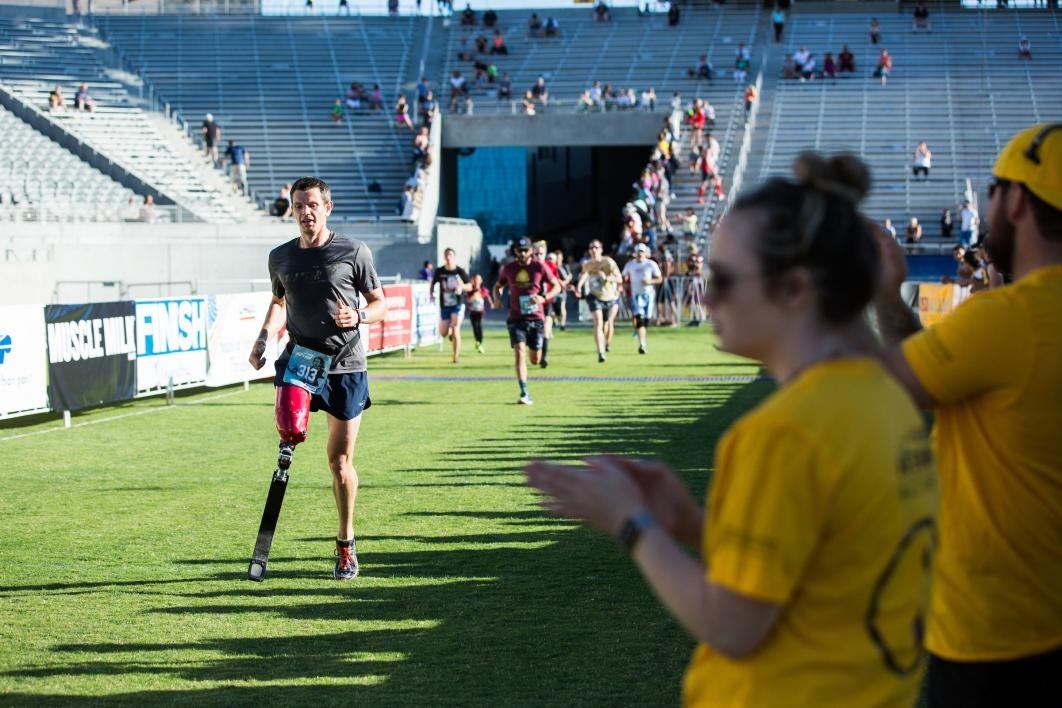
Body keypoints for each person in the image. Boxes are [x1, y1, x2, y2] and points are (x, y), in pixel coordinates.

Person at [526, 152, 937, 708]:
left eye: (723, 279)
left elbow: (733, 627)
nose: (708, 297)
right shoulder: (886, 397)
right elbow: (825, 566)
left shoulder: (784, 433)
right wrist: (694, 525)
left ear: (795, 288)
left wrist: (630, 522)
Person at [870, 123, 1062, 708]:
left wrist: (873, 290)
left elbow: (883, 389)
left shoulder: (1006, 320)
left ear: (1019, 200)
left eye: (995, 190)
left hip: (998, 634)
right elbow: (937, 375)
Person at [247, 176, 386, 581]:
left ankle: (346, 544)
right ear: (291, 210)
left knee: (339, 463)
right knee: (289, 433)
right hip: (301, 360)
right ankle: (287, 450)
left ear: (327, 207)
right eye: (298, 205)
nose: (305, 212)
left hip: (344, 365)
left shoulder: (353, 251)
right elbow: (278, 303)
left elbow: (380, 304)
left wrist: (358, 315)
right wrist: (262, 338)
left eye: (312, 204)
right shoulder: (281, 257)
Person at [492, 237, 560, 405]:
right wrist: (497, 299)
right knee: (519, 351)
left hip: (536, 318)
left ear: (531, 250)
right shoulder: (509, 268)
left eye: (525, 250)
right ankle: (524, 392)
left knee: (535, 359)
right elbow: (498, 286)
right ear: (515, 251)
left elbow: (557, 286)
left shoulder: (539, 267)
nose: (522, 254)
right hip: (516, 318)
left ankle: (536, 354)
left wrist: (543, 297)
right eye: (519, 250)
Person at [431, 247, 471, 364]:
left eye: (450, 255)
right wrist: (431, 294)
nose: (448, 257)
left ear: (454, 257)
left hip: (457, 304)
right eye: (446, 255)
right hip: (445, 305)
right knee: (443, 333)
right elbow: (433, 283)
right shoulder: (440, 271)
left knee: (455, 328)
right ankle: (449, 333)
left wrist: (461, 287)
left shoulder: (460, 271)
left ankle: (455, 357)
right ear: (444, 257)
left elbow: (470, 286)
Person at [621, 243, 663, 354]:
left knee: (646, 321)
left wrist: (650, 281)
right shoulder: (630, 265)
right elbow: (623, 276)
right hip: (636, 295)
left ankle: (641, 337)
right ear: (635, 253)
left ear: (645, 253)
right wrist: (624, 284)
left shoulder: (650, 264)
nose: (640, 254)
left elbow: (659, 278)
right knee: (639, 320)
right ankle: (642, 344)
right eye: (638, 251)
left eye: (642, 251)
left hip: (649, 295)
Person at [466, 273, 494, 353]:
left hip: (480, 311)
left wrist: (491, 303)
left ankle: (480, 343)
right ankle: (477, 341)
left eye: (479, 279)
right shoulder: (471, 289)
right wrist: (474, 293)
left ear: (481, 280)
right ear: (474, 280)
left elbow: (487, 295)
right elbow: (468, 299)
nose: (478, 281)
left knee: (479, 326)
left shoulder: (483, 289)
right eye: (476, 279)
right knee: (475, 327)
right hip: (472, 312)